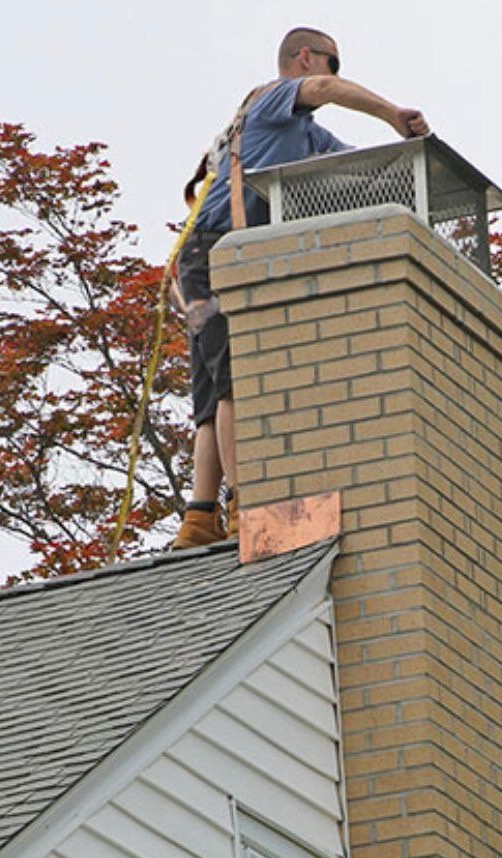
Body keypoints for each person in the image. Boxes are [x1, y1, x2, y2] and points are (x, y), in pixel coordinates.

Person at [172, 26, 430, 549]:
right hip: (216, 253)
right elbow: (328, 91)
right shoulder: (272, 100)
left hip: (209, 258)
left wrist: (415, 156)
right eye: (330, 65)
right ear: (307, 58)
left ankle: (199, 518)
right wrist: (393, 115)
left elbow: (358, 172)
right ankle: (247, 507)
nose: (331, 78)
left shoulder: (304, 136)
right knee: (233, 381)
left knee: (212, 385)